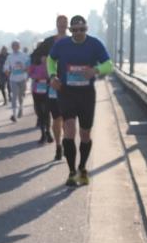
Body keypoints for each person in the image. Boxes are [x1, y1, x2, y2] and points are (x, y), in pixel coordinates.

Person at [47, 15, 113, 186]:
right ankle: (71, 172)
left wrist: (96, 70)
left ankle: (82, 167)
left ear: (87, 29)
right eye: (75, 30)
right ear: (70, 30)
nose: (78, 33)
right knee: (69, 129)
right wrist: (53, 76)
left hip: (86, 94)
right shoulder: (62, 44)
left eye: (82, 29)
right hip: (67, 92)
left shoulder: (95, 44)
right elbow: (51, 60)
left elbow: (109, 65)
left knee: (85, 134)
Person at [30, 15, 71, 160]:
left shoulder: (73, 41)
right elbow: (33, 56)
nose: (62, 25)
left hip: (70, 85)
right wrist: (41, 59)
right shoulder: (49, 42)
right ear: (56, 24)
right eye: (60, 23)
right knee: (57, 118)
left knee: (69, 119)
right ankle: (59, 145)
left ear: (67, 25)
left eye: (64, 23)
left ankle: (67, 142)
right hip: (53, 84)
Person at [28, 55, 53, 145]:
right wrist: (37, 76)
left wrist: (47, 77)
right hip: (37, 90)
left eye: (45, 56)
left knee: (47, 112)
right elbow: (30, 74)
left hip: (47, 89)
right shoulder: (34, 64)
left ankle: (48, 132)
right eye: (42, 56)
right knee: (40, 113)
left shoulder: (50, 63)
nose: (44, 58)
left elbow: (53, 73)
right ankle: (43, 134)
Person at [4, 40, 30, 122]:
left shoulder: (24, 56)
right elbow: (6, 67)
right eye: (13, 46)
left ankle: (21, 107)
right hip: (13, 79)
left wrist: (25, 69)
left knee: (20, 95)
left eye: (16, 45)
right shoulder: (10, 57)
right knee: (14, 96)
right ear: (12, 47)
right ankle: (14, 115)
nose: (15, 47)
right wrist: (7, 71)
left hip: (22, 78)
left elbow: (29, 65)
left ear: (19, 46)